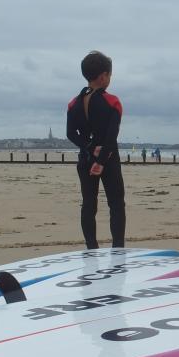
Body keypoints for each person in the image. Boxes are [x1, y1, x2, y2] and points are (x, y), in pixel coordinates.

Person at [66, 50, 126, 249]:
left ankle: (91, 248)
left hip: (85, 160)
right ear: (103, 76)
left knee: (89, 205)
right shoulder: (112, 102)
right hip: (108, 160)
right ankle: (117, 248)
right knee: (116, 204)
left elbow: (71, 134)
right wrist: (100, 161)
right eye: (109, 75)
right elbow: (111, 137)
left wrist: (90, 149)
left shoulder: (73, 103)